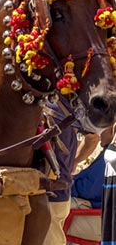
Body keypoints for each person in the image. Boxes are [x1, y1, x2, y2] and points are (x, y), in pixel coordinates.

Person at [43, 102, 93, 245]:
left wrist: (75, 161)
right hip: (58, 192)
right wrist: (75, 161)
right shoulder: (72, 104)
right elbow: (94, 138)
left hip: (39, 191)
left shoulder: (47, 103)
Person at [64, 127, 114, 242]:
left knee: (49, 205)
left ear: (112, 131)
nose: (100, 133)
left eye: (103, 128)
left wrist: (67, 184)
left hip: (96, 217)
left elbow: (88, 190)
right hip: (99, 214)